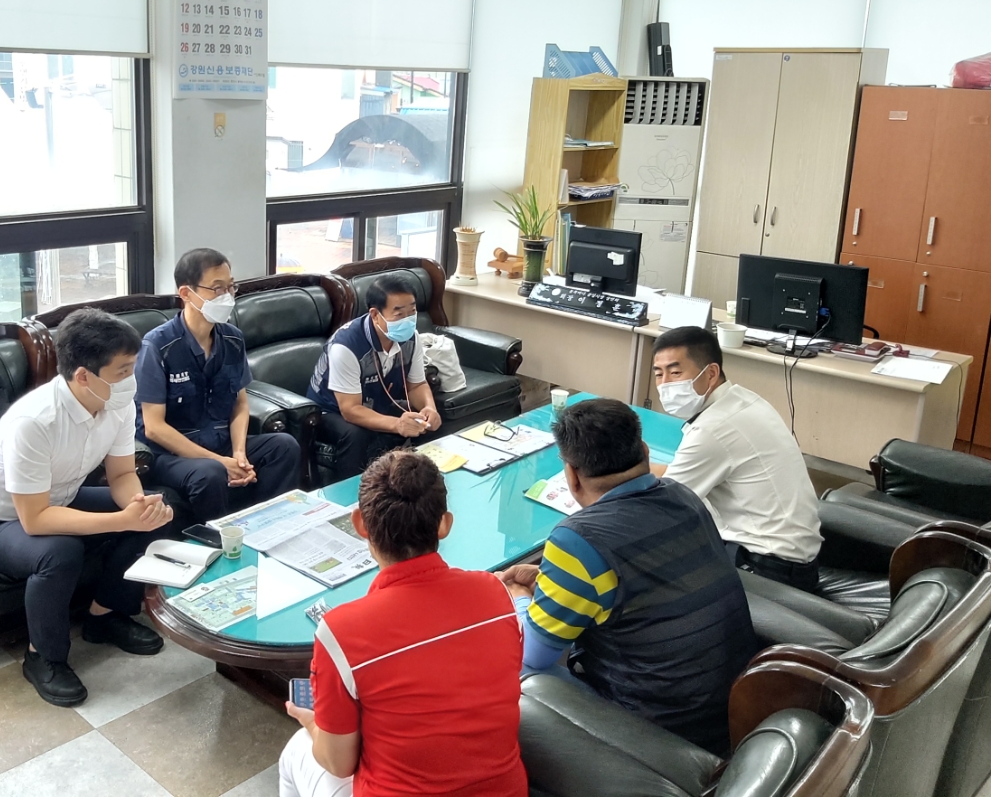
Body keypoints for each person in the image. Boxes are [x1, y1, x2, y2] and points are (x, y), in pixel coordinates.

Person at [498, 398, 755, 757]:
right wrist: (550, 582)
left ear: (571, 475)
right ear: (645, 452)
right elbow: (645, 587)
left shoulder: (577, 539)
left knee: (512, 666)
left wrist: (518, 597)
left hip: (655, 730)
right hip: (734, 711)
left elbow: (534, 655)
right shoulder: (685, 496)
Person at [0, 307, 177, 708]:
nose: (132, 379)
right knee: (59, 552)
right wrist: (120, 519)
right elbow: (35, 519)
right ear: (83, 376)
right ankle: (43, 657)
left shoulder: (114, 401)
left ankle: (104, 615)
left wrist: (138, 507)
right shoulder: (35, 420)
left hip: (60, 497)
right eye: (123, 370)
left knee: (156, 512)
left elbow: (121, 474)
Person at [281, 449, 526, 797]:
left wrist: (312, 724)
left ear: (360, 524)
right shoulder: (498, 595)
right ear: (444, 523)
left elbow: (338, 763)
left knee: (297, 749)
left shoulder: (340, 632)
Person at [648, 325, 823, 592]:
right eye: (659, 374)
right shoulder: (743, 400)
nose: (665, 385)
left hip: (770, 572)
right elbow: (676, 476)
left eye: (675, 373)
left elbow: (662, 505)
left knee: (650, 560)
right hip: (793, 556)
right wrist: (630, 469)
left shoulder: (713, 430)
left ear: (711, 373)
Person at [136, 247, 300, 523]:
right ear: (186, 293)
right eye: (217, 288)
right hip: (173, 455)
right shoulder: (157, 346)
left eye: (230, 287)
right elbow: (154, 427)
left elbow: (240, 403)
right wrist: (219, 462)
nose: (227, 296)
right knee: (210, 474)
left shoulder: (232, 339)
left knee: (284, 446)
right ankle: (220, 540)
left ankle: (270, 526)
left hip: (220, 443)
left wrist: (239, 453)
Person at [307, 275, 441, 482]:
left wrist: (429, 409)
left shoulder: (411, 337)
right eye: (399, 314)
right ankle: (351, 493)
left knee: (424, 422)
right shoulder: (346, 346)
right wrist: (397, 425)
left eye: (412, 312)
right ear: (375, 315)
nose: (407, 320)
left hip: (375, 402)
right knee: (355, 434)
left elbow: (416, 385)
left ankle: (425, 485)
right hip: (330, 412)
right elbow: (350, 410)